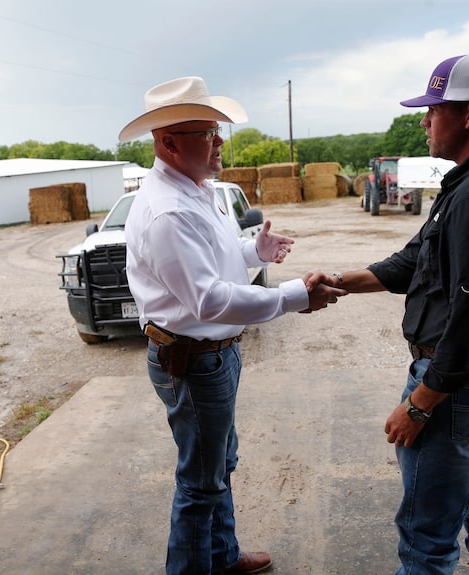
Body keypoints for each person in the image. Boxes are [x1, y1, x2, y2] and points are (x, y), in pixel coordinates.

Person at [308, 53, 469, 574]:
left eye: (435, 109)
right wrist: (341, 281)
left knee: (426, 540)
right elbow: (417, 259)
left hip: (458, 385)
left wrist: (419, 404)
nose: (424, 120)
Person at [120, 76, 347, 575]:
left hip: (210, 356)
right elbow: (208, 299)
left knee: (218, 467)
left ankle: (220, 555)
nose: (220, 141)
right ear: (168, 142)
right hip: (194, 359)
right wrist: (294, 296)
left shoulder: (198, 190)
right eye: (208, 132)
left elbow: (209, 263)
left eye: (218, 130)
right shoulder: (168, 211)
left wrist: (252, 252)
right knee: (201, 482)